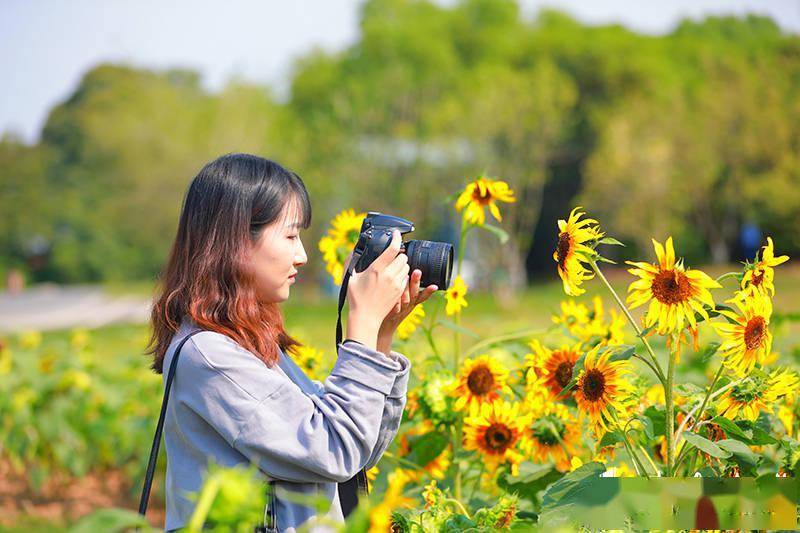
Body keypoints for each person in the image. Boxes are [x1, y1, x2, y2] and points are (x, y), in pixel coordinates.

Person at [146, 153, 437, 531]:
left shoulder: (248, 344)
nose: (301, 255)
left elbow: (357, 451)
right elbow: (333, 450)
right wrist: (361, 321)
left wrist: (380, 333)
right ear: (235, 242)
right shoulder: (209, 355)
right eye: (290, 235)